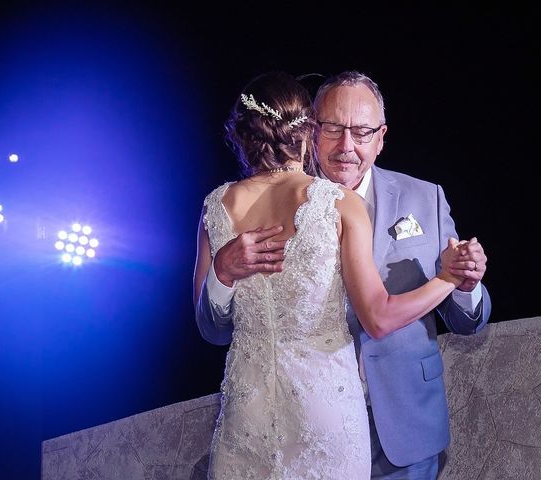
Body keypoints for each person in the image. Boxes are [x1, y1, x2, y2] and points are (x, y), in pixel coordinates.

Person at [195, 70, 491, 479]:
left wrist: (466, 282)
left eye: (362, 131)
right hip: (287, 425)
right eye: (332, 128)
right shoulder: (293, 201)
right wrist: (222, 275)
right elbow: (214, 330)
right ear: (308, 129)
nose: (346, 146)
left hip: (405, 431)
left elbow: (467, 319)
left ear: (381, 136)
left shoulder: (425, 198)